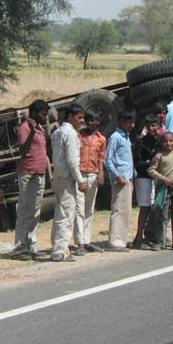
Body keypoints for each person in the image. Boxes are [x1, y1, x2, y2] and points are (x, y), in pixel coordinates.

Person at [10, 99, 50, 261]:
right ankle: (20, 247)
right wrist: (32, 133)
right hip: (28, 173)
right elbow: (23, 150)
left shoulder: (39, 128)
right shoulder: (25, 128)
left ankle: (31, 245)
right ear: (33, 113)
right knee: (25, 210)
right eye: (43, 114)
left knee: (35, 211)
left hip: (39, 173)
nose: (45, 118)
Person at [50, 103, 88, 262]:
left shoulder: (56, 133)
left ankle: (58, 247)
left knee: (60, 214)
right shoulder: (70, 134)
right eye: (79, 118)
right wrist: (80, 180)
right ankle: (60, 252)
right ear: (70, 117)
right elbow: (72, 161)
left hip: (58, 176)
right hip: (67, 179)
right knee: (66, 215)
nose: (82, 121)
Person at [147, 132, 173, 251]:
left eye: (171, 141)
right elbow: (151, 170)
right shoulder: (159, 155)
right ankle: (160, 242)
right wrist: (163, 179)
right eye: (165, 141)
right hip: (163, 187)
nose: (168, 143)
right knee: (162, 216)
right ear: (162, 143)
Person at [73, 109, 106, 256]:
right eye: (89, 120)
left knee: (89, 208)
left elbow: (101, 158)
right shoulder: (78, 136)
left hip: (93, 174)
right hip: (80, 174)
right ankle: (79, 241)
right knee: (79, 209)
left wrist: (101, 173)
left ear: (98, 121)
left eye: (95, 120)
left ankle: (86, 240)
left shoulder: (102, 139)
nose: (92, 123)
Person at [104, 109, 136, 252]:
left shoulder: (126, 137)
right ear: (122, 122)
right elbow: (108, 160)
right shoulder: (115, 137)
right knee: (118, 209)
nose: (132, 125)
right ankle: (115, 241)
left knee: (126, 211)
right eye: (129, 123)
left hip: (128, 177)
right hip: (120, 179)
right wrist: (117, 176)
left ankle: (121, 239)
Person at [132, 114, 162, 249]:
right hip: (144, 177)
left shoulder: (162, 141)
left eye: (154, 126)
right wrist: (149, 163)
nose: (152, 128)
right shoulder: (141, 142)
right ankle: (138, 237)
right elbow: (137, 162)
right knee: (145, 208)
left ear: (159, 126)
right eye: (149, 126)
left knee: (158, 207)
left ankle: (155, 235)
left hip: (159, 177)